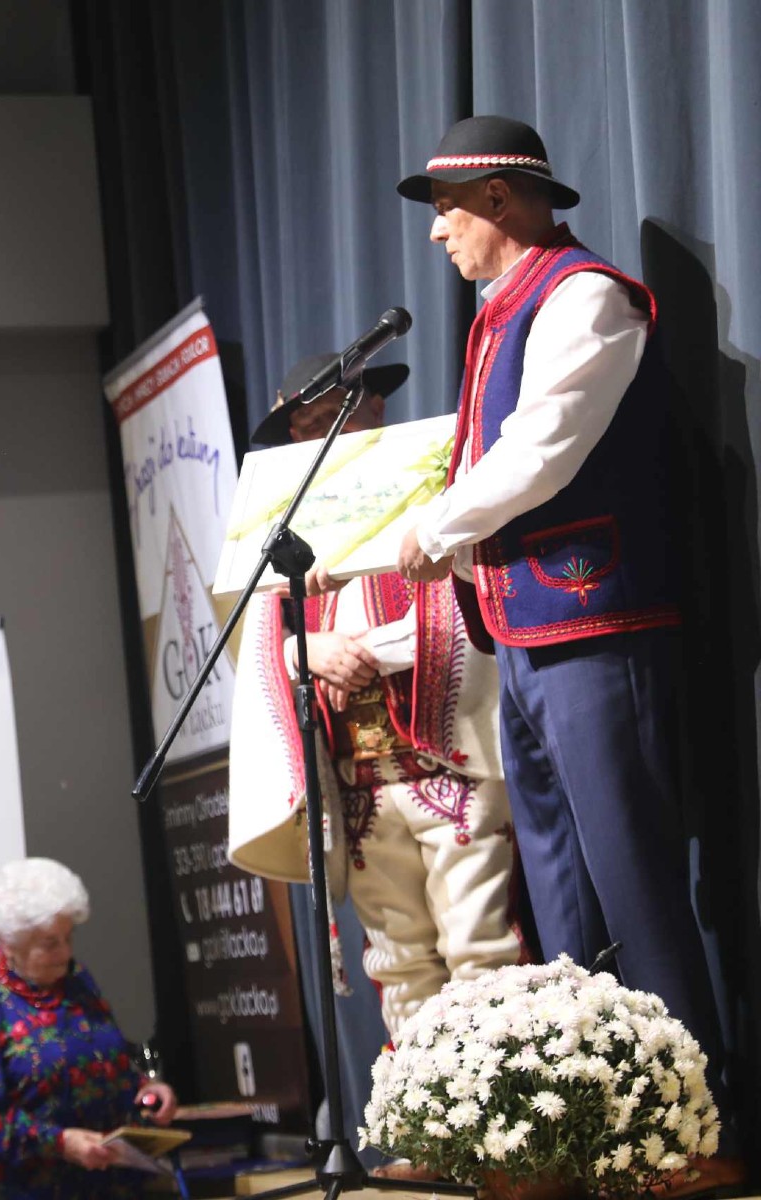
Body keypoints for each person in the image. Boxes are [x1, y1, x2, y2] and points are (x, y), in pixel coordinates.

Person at [393, 114, 738, 1189]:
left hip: (600, 629)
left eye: (447, 208)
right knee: (560, 898)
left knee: (635, 882)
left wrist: (438, 529)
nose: (438, 232)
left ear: (499, 199)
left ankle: (698, 1132)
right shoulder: (503, 311)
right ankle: (579, 1136)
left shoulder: (583, 297)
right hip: (529, 638)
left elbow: (541, 448)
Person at [227, 358, 524, 1040]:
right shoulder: (286, 530)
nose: (322, 435)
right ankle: (423, 1103)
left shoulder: (436, 492)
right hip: (359, 781)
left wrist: (357, 651)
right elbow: (268, 645)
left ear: (375, 411)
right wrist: (308, 652)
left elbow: (466, 608)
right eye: (307, 425)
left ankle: (496, 1096)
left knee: (481, 952)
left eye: (335, 415)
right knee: (400, 966)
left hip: (448, 765)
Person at [0, 858, 177, 1199]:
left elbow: (107, 1061)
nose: (66, 952)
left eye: (69, 937)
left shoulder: (78, 982)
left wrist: (147, 1089)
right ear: (10, 943)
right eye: (50, 943)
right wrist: (60, 1143)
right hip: (30, 1190)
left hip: (108, 1184)